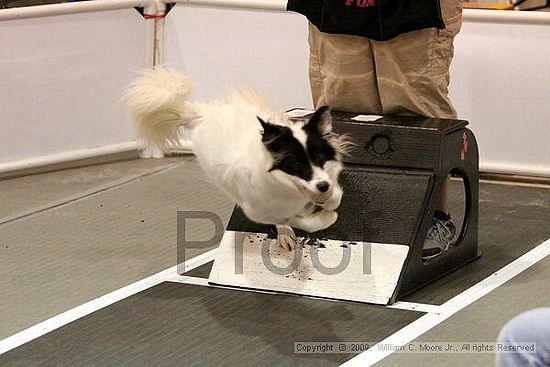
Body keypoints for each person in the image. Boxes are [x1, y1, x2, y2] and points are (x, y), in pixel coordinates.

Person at [288, 0, 463, 259]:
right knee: (339, 111)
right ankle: (344, 215)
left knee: (417, 112)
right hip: (337, 10)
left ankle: (434, 219)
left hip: (412, 13)